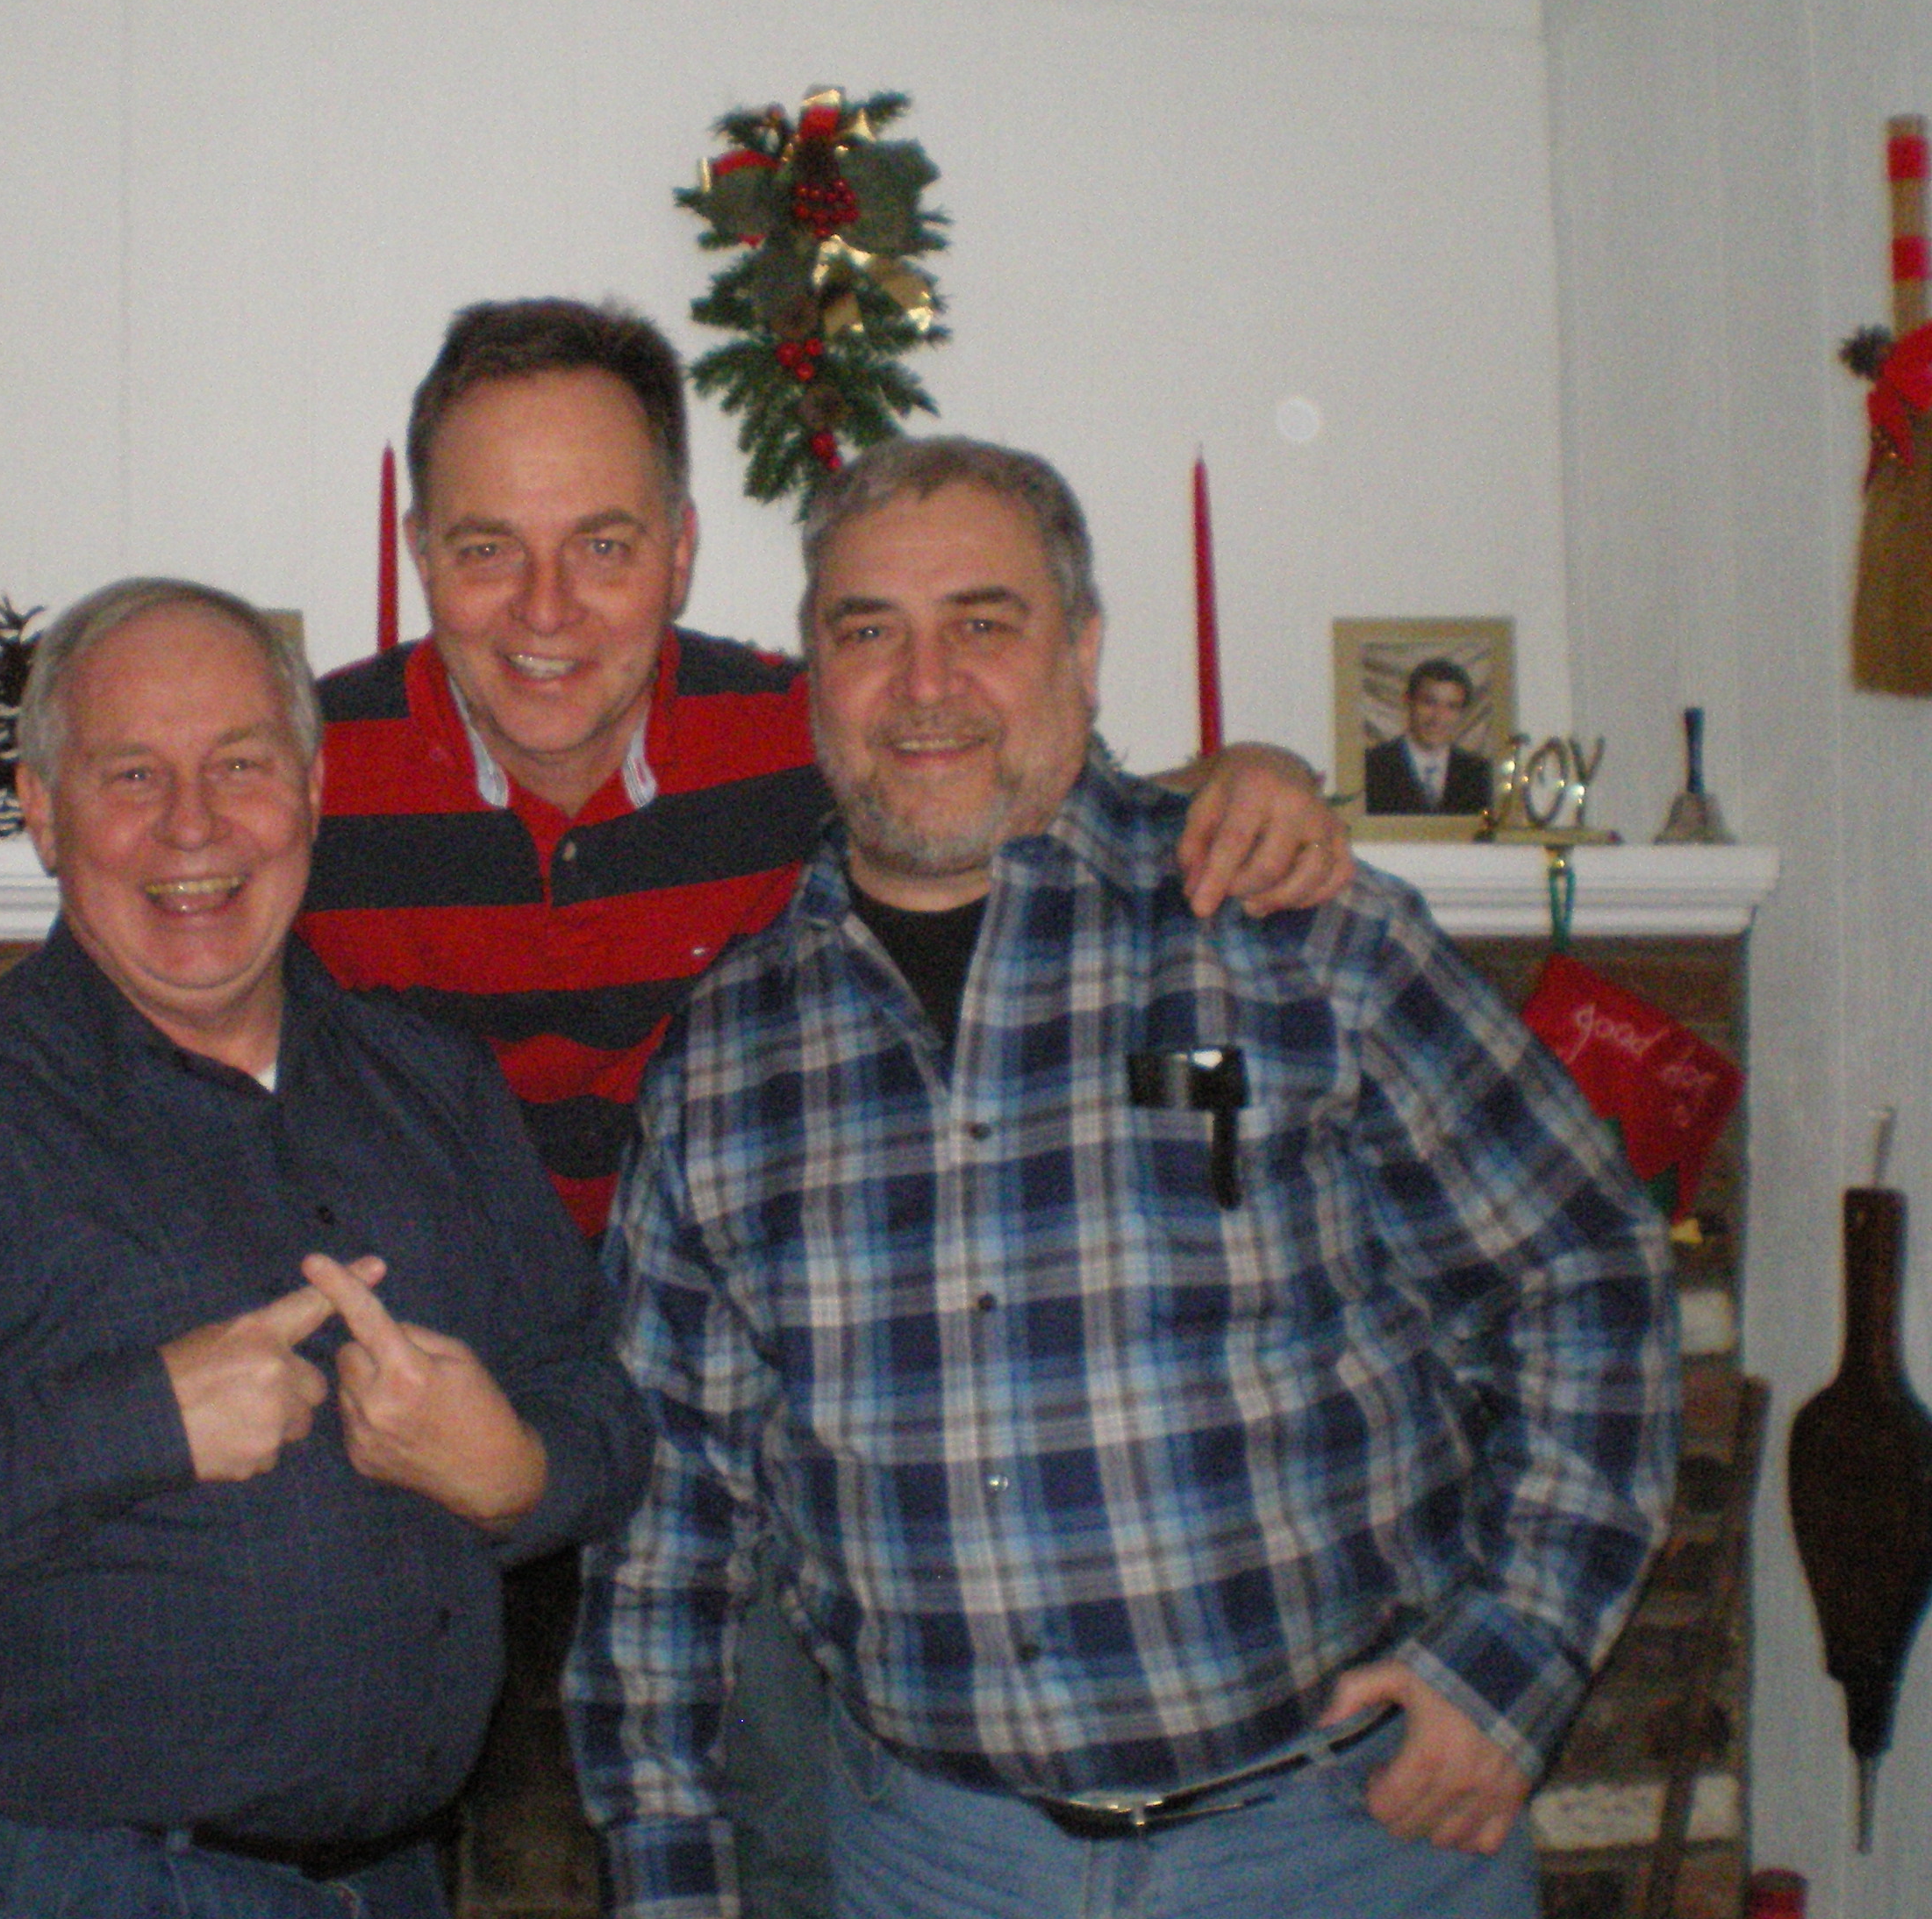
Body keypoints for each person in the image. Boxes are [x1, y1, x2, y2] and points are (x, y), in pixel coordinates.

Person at [0, 300, 1357, 1919]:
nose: (543, 610)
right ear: (417, 553)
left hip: (725, 1458)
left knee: (769, 1841)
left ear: (680, 550)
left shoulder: (807, 739)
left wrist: (1249, 772)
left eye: (600, 545)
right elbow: (160, 906)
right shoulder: (306, 768)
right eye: (485, 550)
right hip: (416, 1453)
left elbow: (1019, 780)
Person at [566, 436, 1679, 1919]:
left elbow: (1581, 1270)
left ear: (1083, 652)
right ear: (814, 680)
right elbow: (666, 1532)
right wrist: (665, 1879)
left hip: (1351, 1844)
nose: (925, 682)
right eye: (867, 631)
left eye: (983, 622)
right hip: (933, 1868)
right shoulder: (724, 1061)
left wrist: (1514, 1655)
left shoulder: (1292, 929)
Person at [0, 580, 652, 1919]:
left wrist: (515, 1474)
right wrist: (141, 1421)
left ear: (310, 789)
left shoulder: (433, 1089)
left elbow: (605, 1405)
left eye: (240, 765)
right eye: (132, 774)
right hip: (43, 1879)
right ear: (42, 811)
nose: (193, 825)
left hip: (391, 1883)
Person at [1363, 656, 1495, 814]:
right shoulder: (1370, 767)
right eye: (1429, 703)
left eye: (1452, 707)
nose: (1438, 717)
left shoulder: (1481, 773)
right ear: (1407, 700)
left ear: (1462, 713)